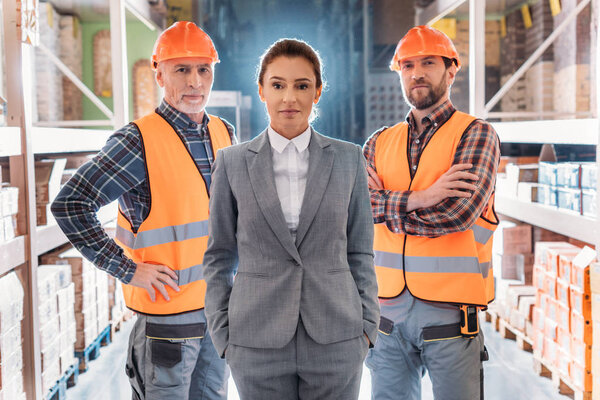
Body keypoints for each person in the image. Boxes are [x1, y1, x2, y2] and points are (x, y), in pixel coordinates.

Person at [51, 21, 235, 400]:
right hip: (167, 325)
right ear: (159, 72)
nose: (194, 82)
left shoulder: (224, 133)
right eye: (181, 70)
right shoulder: (137, 141)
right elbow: (70, 203)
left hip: (218, 314)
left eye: (203, 69)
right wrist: (128, 269)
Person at [203, 38, 380, 399]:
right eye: (278, 85)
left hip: (337, 337)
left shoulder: (348, 159)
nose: (289, 98)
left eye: (302, 86)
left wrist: (366, 329)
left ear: (317, 93)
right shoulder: (232, 163)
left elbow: (360, 251)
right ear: (262, 91)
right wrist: (224, 336)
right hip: (255, 340)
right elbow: (219, 256)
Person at [363, 25, 500, 400]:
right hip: (387, 315)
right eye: (407, 65)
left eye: (428, 62)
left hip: (451, 317)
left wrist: (386, 204)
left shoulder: (476, 135)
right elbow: (356, 209)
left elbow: (458, 213)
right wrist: (422, 198)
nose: (416, 73)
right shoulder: (379, 141)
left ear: (451, 70)